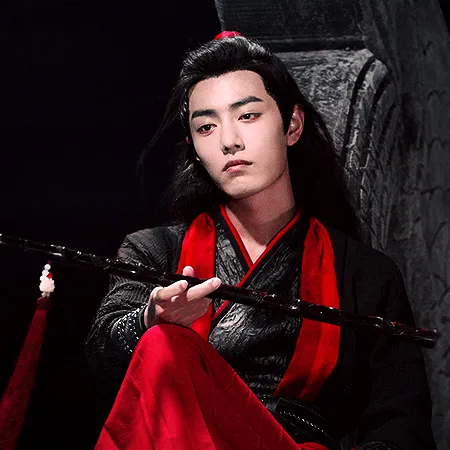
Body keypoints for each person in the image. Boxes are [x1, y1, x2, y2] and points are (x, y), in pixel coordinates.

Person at [85, 31, 436, 449]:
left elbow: (401, 422)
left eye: (248, 116)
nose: (229, 141)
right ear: (194, 149)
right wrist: (149, 320)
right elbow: (101, 361)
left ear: (292, 125)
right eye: (206, 126)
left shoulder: (366, 274)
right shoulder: (154, 251)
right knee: (162, 345)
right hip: (183, 436)